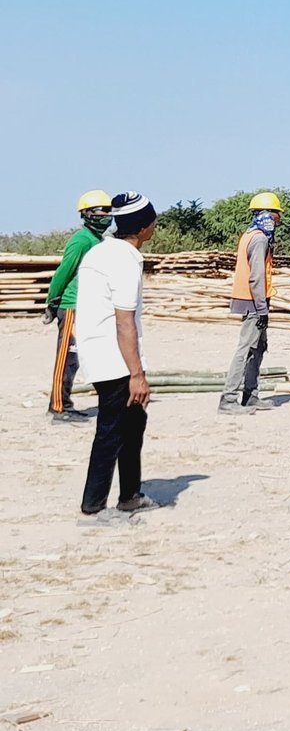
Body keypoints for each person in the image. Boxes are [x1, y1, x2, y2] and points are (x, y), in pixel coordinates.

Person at [74, 192, 158, 516]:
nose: (155, 226)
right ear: (141, 227)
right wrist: (137, 374)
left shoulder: (103, 252)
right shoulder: (123, 260)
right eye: (152, 221)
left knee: (134, 421)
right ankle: (93, 506)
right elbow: (124, 322)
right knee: (111, 430)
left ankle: (130, 495)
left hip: (103, 353)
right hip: (114, 359)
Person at [45, 191, 115, 423]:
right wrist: (52, 302)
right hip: (72, 305)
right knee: (67, 358)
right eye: (100, 211)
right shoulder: (82, 240)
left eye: (108, 210)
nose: (106, 215)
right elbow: (64, 271)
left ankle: (66, 403)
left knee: (79, 359)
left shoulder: (99, 241)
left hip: (89, 306)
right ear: (86, 214)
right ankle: (57, 407)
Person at [219, 191, 279, 415]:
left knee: (258, 348)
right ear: (269, 214)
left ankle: (251, 396)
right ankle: (228, 399)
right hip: (254, 302)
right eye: (276, 214)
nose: (278, 219)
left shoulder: (249, 235)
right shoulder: (260, 239)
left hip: (254, 300)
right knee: (245, 350)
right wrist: (262, 309)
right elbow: (256, 276)